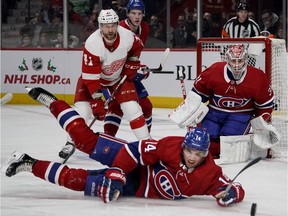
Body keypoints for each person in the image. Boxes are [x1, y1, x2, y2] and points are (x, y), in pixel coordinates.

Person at [2, 86, 245, 206]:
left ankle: (27, 163)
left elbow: (235, 188)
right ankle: (53, 102)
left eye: (198, 153)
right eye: (189, 151)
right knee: (84, 140)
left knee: (77, 181)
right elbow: (134, 151)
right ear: (183, 146)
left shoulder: (210, 174)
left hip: (134, 187)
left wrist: (231, 195)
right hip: (132, 162)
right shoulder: (171, 146)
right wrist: (118, 171)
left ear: (205, 154)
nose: (192, 157)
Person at [58, 9, 151, 163]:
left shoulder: (127, 36)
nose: (110, 30)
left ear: (117, 25)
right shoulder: (92, 44)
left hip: (118, 79)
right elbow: (91, 78)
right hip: (92, 80)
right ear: (100, 27)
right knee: (83, 112)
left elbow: (137, 46)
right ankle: (70, 142)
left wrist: (132, 63)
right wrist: (96, 101)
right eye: (106, 26)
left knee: (133, 109)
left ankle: (147, 143)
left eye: (113, 25)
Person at [187, 44, 275, 160]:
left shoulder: (257, 77)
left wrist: (261, 124)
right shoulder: (214, 70)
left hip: (240, 115)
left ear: (246, 60)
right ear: (227, 60)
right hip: (214, 112)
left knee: (229, 143)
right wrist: (190, 110)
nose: (237, 65)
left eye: (240, 60)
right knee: (205, 139)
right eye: (233, 61)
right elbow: (198, 94)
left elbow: (265, 105)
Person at [103, 0, 153, 138]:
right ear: (127, 14)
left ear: (143, 14)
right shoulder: (119, 29)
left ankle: (147, 139)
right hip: (112, 72)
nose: (137, 17)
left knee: (146, 106)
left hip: (126, 72)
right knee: (115, 106)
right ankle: (108, 138)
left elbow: (133, 55)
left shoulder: (144, 28)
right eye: (133, 13)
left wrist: (137, 68)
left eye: (139, 13)